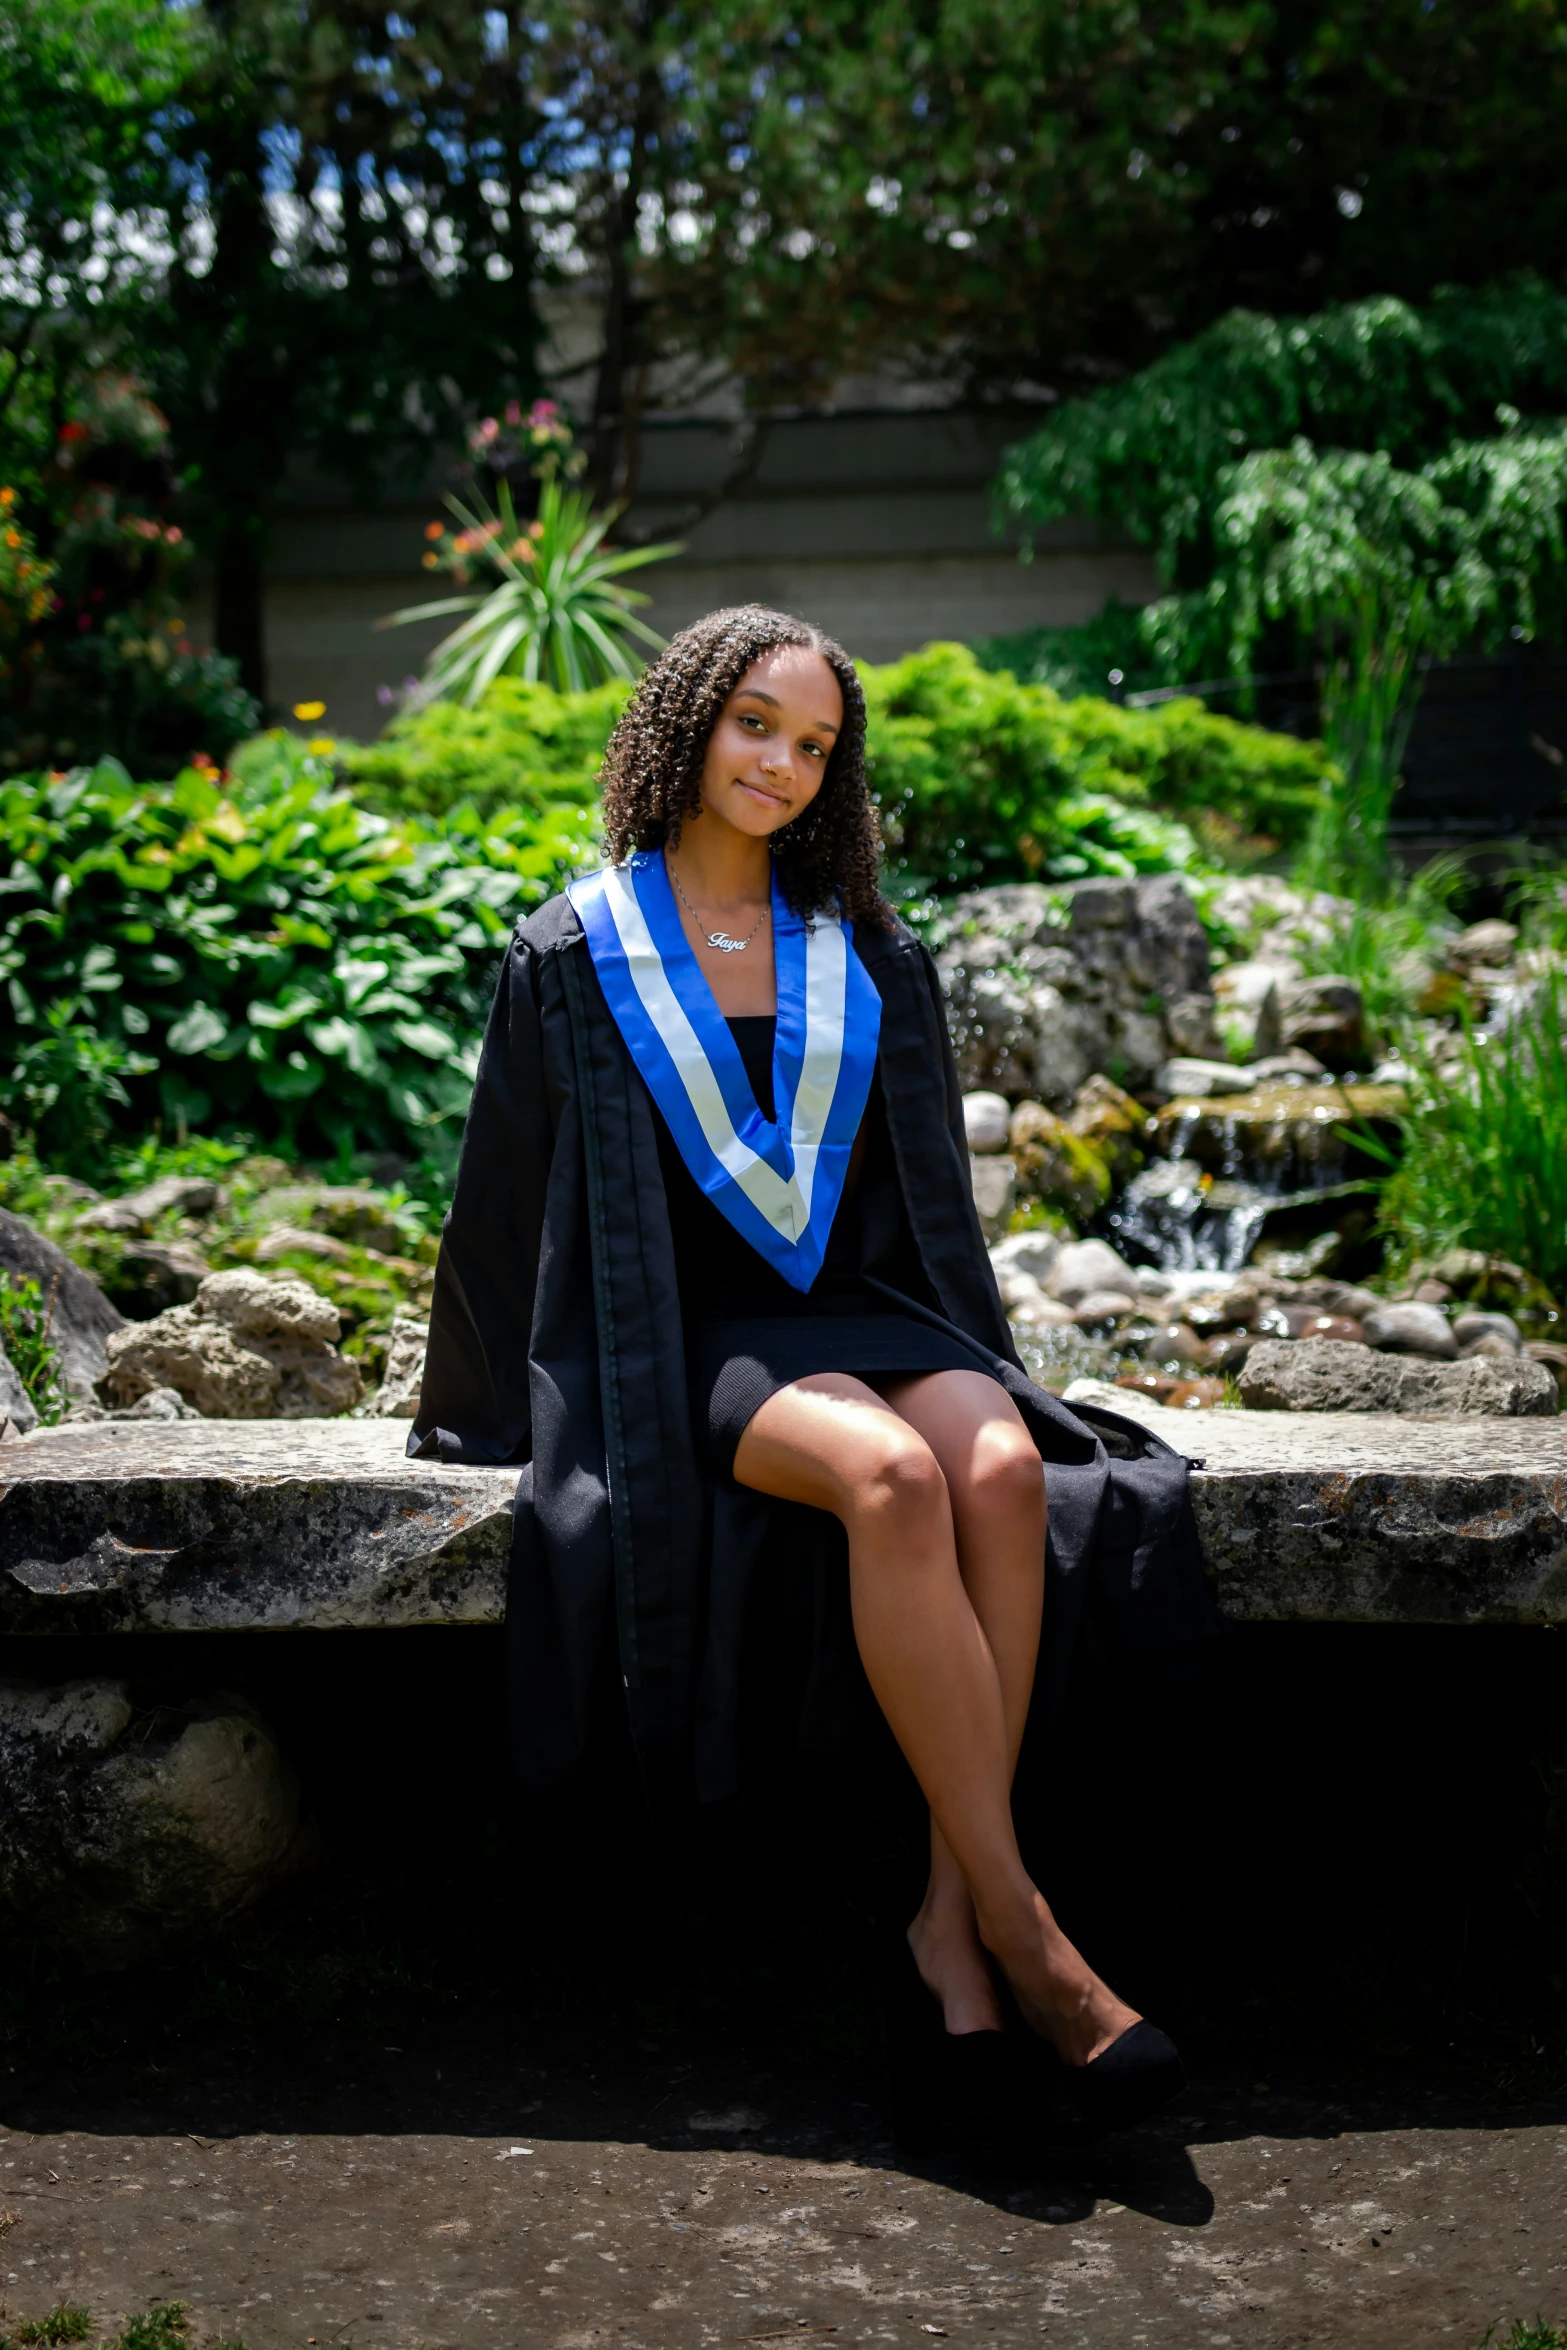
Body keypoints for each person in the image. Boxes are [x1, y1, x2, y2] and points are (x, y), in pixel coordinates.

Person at [411, 604, 1215, 2136]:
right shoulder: (580, 951)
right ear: (687, 723)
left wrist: (967, 1340)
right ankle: (1028, 1936)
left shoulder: (860, 951)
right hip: (696, 1336)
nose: (781, 762)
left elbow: (926, 1202)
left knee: (993, 1456)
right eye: (754, 726)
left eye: (814, 744)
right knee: (889, 1473)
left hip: (868, 1310)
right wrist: (476, 1411)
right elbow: (503, 1191)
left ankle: (944, 1923)